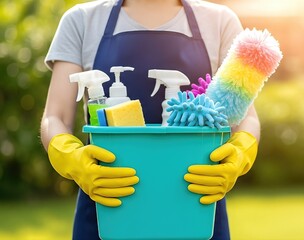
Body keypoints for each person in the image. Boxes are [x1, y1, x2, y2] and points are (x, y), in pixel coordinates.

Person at [40, 0, 260, 239]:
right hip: (107, 199)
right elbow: (56, 116)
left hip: (196, 200)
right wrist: (72, 158)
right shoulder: (82, 19)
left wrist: (240, 153)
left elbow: (246, 116)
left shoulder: (220, 21)